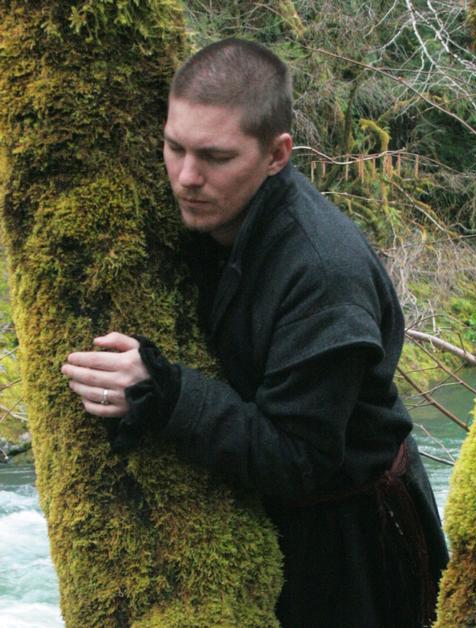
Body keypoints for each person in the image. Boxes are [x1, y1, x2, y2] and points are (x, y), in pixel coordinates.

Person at [61, 38, 448, 627]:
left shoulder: (322, 277)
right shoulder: (214, 209)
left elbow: (300, 459)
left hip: (356, 547)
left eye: (215, 157)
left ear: (276, 155)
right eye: (174, 148)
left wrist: (166, 392)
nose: (186, 177)